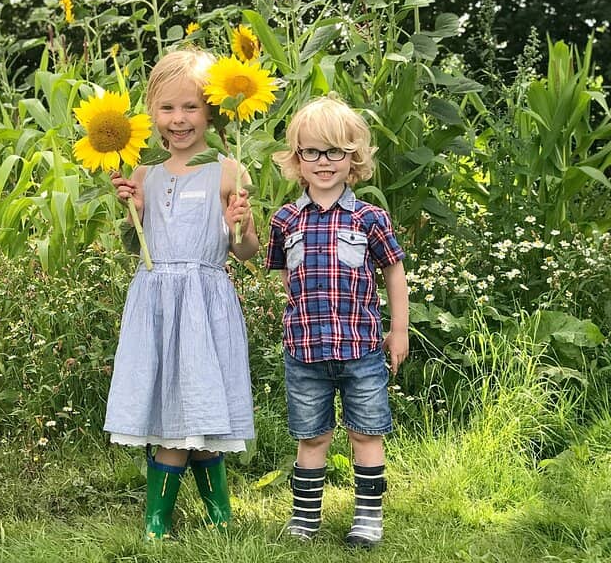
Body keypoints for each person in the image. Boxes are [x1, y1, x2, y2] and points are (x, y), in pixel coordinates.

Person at [104, 46, 259, 540]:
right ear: (152, 113)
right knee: (172, 409)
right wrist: (126, 205)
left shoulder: (228, 171)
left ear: (211, 110)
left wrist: (244, 224)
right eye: (167, 108)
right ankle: (158, 520)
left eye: (190, 107)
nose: (178, 119)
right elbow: (135, 244)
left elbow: (247, 252)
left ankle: (217, 516)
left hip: (205, 303)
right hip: (156, 303)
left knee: (202, 413)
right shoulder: (146, 174)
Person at [266, 92, 409, 549]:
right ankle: (304, 520)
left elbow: (394, 272)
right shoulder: (286, 220)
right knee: (312, 438)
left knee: (366, 434)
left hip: (362, 349)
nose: (323, 161)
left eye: (335, 152)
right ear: (297, 158)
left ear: (354, 159)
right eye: (312, 151)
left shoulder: (370, 218)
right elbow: (282, 276)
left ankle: (367, 519)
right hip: (304, 352)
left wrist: (399, 329)